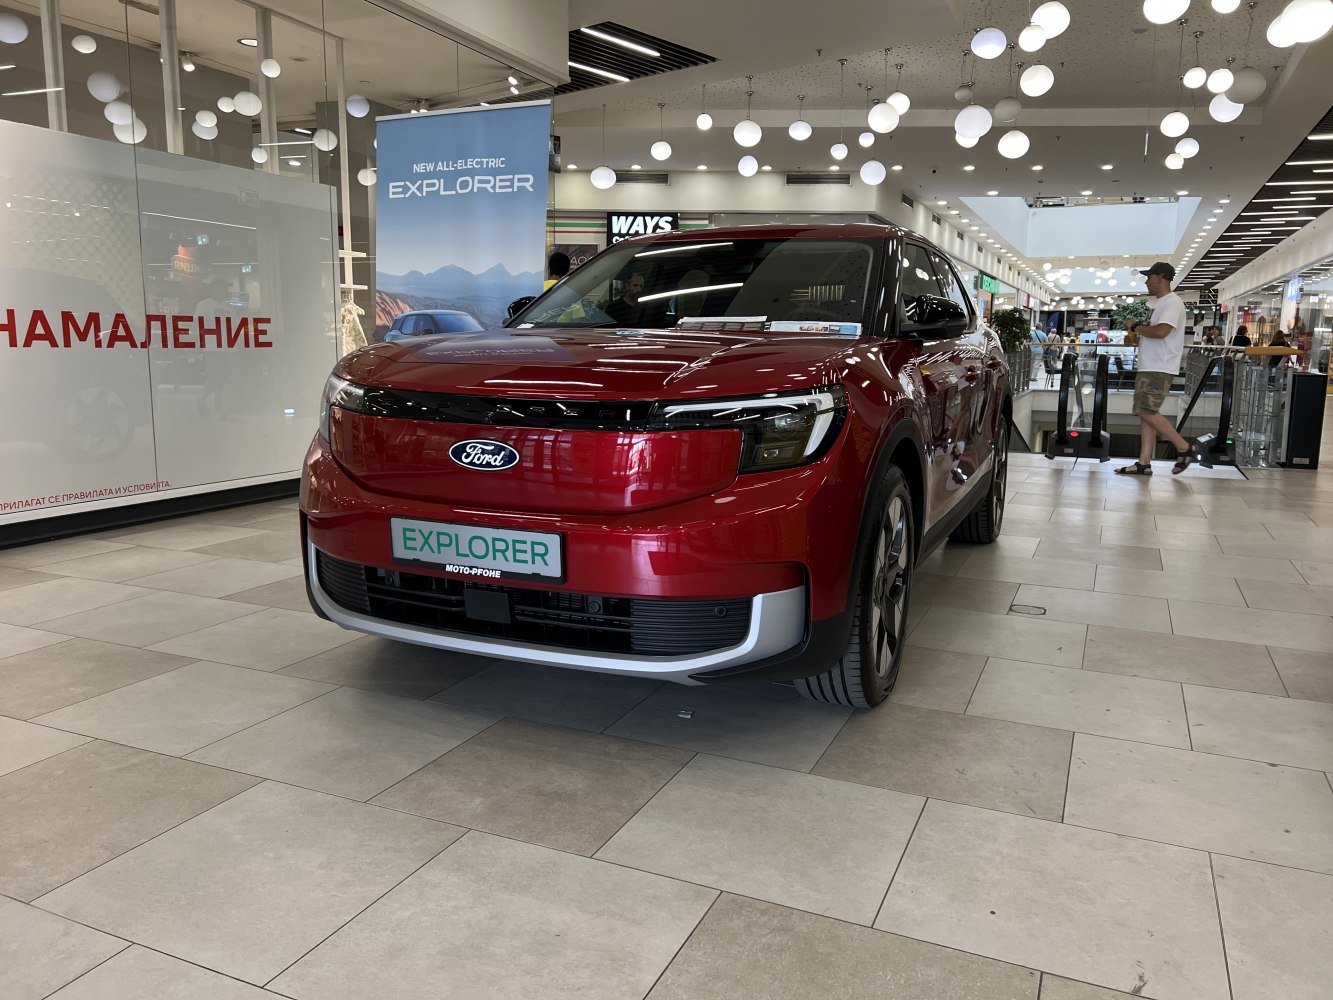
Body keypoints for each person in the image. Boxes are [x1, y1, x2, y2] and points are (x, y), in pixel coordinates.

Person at [1117, 262, 1198, 476]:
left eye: (1148, 277)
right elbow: (1157, 334)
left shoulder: (1173, 303)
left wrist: (1135, 326)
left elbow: (1162, 332)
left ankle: (1184, 447)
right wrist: (1137, 337)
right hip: (1152, 366)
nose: (1146, 282)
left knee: (1144, 410)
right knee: (1147, 413)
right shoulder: (1163, 304)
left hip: (1158, 367)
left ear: (1159, 278)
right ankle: (1144, 462)